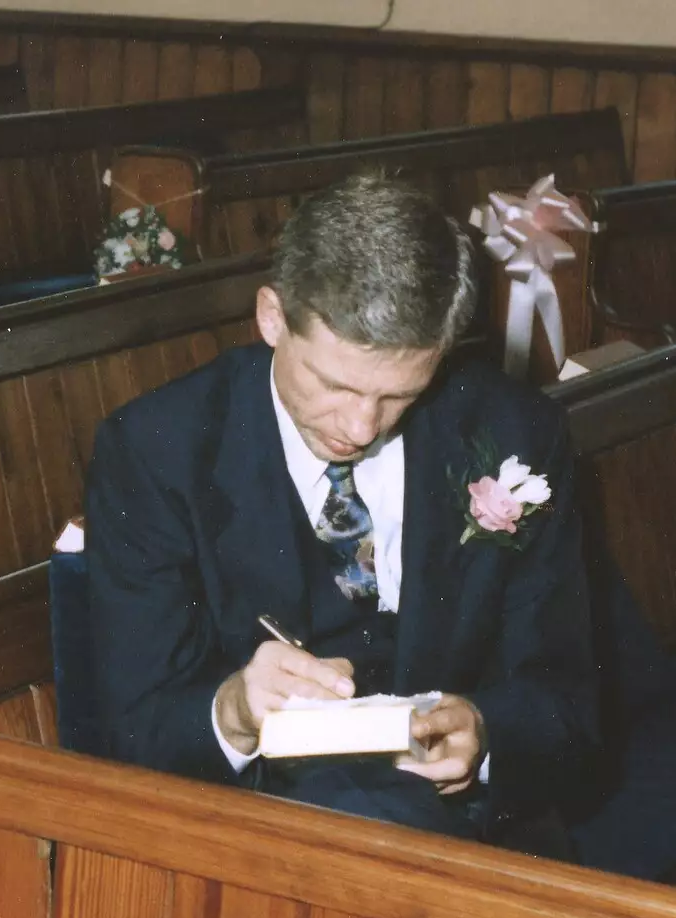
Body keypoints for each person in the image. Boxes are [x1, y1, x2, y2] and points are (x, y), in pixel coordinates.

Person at [82, 174, 599, 845]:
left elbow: (570, 705)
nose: (359, 427)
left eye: (398, 395)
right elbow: (130, 726)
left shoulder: (515, 435)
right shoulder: (159, 451)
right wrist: (233, 711)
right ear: (272, 316)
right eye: (334, 385)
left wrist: (485, 734)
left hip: (472, 833)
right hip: (256, 832)